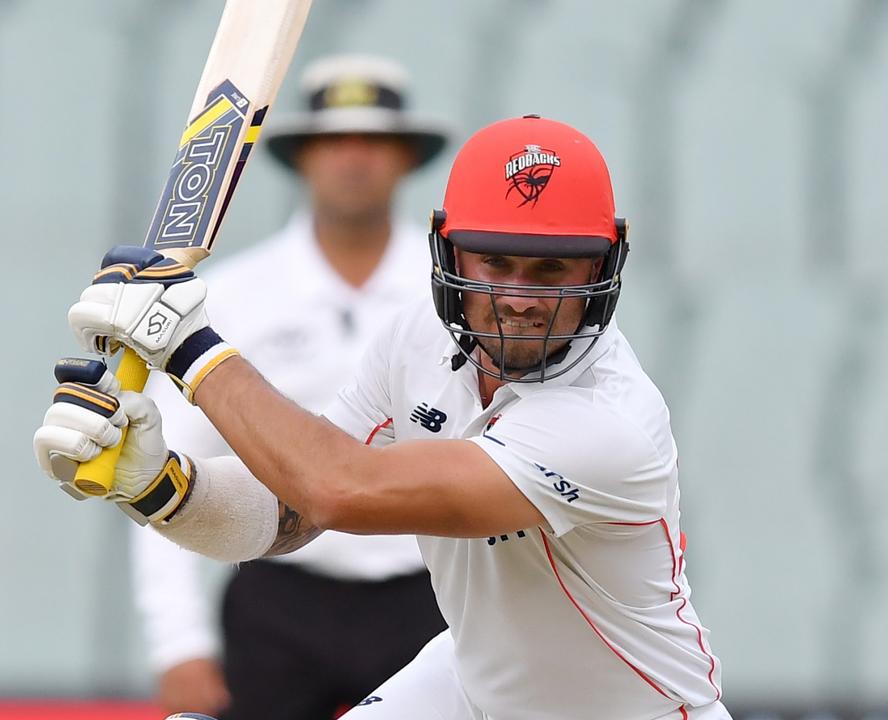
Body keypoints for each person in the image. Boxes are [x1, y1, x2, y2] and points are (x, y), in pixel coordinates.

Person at [35, 114, 729, 720]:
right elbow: (289, 511)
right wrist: (160, 485)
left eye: (552, 270)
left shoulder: (609, 422)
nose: (518, 297)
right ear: (447, 250)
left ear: (603, 266)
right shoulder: (416, 341)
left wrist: (189, 348)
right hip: (472, 678)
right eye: (494, 262)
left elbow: (339, 489)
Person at [128, 54, 452, 720]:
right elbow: (160, 465)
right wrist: (180, 644)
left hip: (431, 593)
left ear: (405, 158)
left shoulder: (452, 297)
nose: (354, 160)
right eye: (335, 141)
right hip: (274, 593)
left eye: (374, 141)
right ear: (304, 156)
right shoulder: (235, 295)